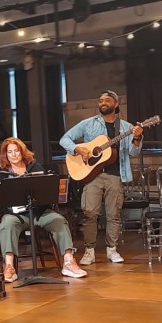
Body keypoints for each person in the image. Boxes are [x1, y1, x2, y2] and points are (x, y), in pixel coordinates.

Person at [59, 90, 144, 265]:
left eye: (107, 100)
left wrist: (136, 138)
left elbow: (133, 152)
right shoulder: (88, 123)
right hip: (92, 175)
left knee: (114, 215)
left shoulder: (126, 127)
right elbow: (64, 139)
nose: (102, 102)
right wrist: (77, 149)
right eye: (100, 100)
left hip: (115, 174)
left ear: (116, 104)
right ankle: (89, 251)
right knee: (90, 214)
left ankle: (112, 250)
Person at [0, 138, 86, 282]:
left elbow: (49, 193)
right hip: (16, 216)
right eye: (9, 152)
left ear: (22, 152)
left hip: (39, 213)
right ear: (5, 155)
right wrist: (1, 191)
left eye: (16, 151)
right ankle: (9, 266)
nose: (14, 154)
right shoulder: (2, 174)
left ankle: (68, 262)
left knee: (59, 220)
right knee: (6, 224)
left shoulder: (36, 168)